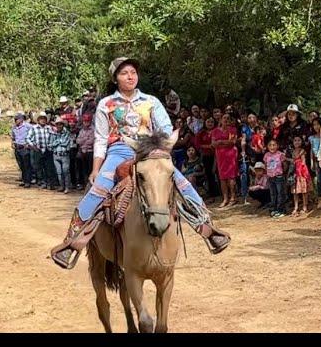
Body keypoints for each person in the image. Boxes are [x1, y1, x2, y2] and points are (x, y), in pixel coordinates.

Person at [50, 57, 230, 269]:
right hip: (118, 151)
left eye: (133, 72)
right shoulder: (105, 105)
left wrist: (159, 146)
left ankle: (208, 229)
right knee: (98, 189)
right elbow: (100, 138)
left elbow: (164, 127)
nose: (130, 76)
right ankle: (72, 242)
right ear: (115, 78)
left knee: (182, 183)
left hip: (150, 150)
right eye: (124, 73)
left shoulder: (151, 101)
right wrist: (96, 168)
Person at [212, 113, 238, 208]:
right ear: (220, 120)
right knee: (222, 177)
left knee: (231, 176)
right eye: (224, 118)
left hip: (230, 155)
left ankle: (233, 197)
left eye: (228, 118)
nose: (226, 120)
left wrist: (220, 142)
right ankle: (225, 198)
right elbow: (213, 144)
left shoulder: (232, 130)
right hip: (220, 156)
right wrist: (222, 143)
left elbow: (232, 142)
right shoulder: (215, 131)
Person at [26, 111, 56, 189]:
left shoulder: (49, 128)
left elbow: (53, 137)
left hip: (47, 150)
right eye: (41, 119)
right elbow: (28, 138)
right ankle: (43, 182)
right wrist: (33, 146)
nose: (43, 120)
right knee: (39, 167)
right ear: (38, 120)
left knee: (49, 167)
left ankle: (50, 183)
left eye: (44, 119)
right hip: (38, 150)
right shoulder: (34, 128)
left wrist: (51, 146)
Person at [195, 117, 219, 200]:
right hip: (206, 156)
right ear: (205, 123)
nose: (210, 123)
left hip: (218, 155)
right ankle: (212, 193)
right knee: (209, 174)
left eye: (212, 122)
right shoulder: (201, 133)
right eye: (208, 122)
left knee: (219, 173)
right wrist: (208, 146)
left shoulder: (217, 131)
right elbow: (198, 145)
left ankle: (221, 192)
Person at [50, 116, 73, 194]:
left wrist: (56, 142)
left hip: (64, 155)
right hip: (56, 155)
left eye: (60, 124)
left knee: (65, 171)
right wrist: (58, 142)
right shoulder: (53, 134)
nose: (59, 126)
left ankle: (67, 187)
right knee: (59, 172)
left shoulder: (67, 133)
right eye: (57, 124)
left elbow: (66, 143)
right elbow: (50, 144)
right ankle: (61, 186)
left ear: (63, 125)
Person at [264, 139, 286, 218]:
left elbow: (284, 165)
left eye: (274, 145)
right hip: (270, 177)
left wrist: (282, 173)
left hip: (278, 176)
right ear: (267, 146)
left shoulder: (280, 154)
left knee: (280, 193)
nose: (272, 147)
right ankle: (275, 208)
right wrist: (267, 174)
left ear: (277, 146)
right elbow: (266, 165)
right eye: (270, 145)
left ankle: (281, 210)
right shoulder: (266, 155)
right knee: (273, 194)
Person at [290, 135, 311, 216]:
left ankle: (305, 206)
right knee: (295, 191)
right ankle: (296, 207)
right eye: (295, 140)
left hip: (301, 173)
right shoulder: (292, 151)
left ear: (301, 142)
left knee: (303, 190)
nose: (297, 142)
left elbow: (303, 163)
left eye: (299, 140)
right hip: (294, 173)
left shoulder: (302, 151)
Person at [11, 113, 32, 187]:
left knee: (27, 165)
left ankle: (28, 181)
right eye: (15, 119)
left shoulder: (28, 126)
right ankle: (24, 180)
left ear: (21, 119)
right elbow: (13, 137)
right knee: (21, 165)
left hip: (24, 147)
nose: (16, 121)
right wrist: (13, 143)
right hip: (17, 148)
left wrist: (29, 144)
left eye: (17, 119)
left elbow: (33, 134)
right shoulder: (14, 127)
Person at [75, 113, 95, 188]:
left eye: (87, 121)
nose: (86, 123)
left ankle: (91, 184)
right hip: (82, 152)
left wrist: (83, 141)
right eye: (84, 121)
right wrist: (85, 139)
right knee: (83, 169)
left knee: (90, 169)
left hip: (90, 152)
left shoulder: (93, 129)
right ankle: (84, 184)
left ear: (90, 121)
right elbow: (77, 141)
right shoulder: (82, 130)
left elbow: (91, 141)